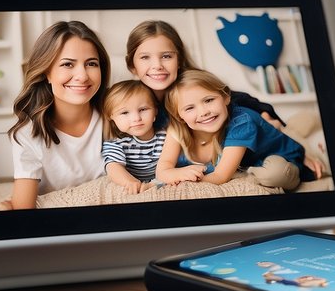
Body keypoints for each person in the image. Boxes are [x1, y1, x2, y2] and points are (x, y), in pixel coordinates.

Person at [3, 20, 109, 210]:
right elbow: (22, 212)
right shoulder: (27, 134)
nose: (82, 76)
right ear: (46, 73)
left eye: (91, 63)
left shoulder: (117, 115)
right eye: (68, 64)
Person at [156, 69, 316, 189]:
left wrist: (182, 182)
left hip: (280, 156)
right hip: (248, 161)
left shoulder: (241, 122)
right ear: (179, 116)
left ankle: (301, 136)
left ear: (226, 97)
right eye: (190, 108)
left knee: (274, 174)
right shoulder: (177, 128)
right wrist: (174, 174)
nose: (203, 112)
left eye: (209, 100)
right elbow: (163, 169)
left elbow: (220, 175)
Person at [124, 19, 284, 128]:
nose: (157, 66)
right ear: (132, 66)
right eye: (145, 57)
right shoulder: (129, 100)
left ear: (179, 60)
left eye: (166, 56)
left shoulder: (193, 84)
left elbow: (239, 99)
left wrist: (266, 116)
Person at [101, 80, 165, 194]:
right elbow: (113, 167)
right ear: (111, 117)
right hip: (132, 182)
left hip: (162, 181)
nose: (136, 118)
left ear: (155, 111)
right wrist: (130, 182)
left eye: (143, 109)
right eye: (125, 113)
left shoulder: (166, 137)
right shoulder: (117, 143)